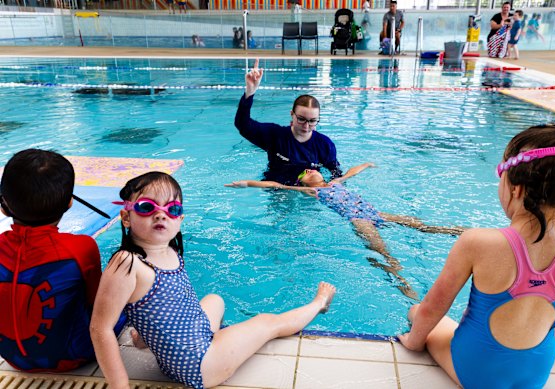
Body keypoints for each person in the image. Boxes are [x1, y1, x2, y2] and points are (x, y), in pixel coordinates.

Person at [90, 171, 336, 389]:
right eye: (147, 207)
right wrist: (119, 384)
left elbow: (160, 305)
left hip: (184, 351)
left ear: (180, 220)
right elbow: (100, 328)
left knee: (214, 299)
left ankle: (146, 338)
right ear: (126, 217)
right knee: (268, 323)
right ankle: (319, 303)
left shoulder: (168, 250)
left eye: (172, 209)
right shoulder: (127, 263)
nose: (160, 215)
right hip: (201, 365)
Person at [398, 124, 555, 388]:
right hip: (536, 374)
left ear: (516, 187)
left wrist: (413, 343)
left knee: (416, 311)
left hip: (477, 373)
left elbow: (434, 306)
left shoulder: (478, 241)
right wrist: (541, 361)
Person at [226, 163, 465, 300]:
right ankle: (402, 282)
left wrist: (368, 165)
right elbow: (275, 185)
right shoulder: (312, 192)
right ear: (303, 183)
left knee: (416, 223)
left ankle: (453, 230)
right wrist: (243, 183)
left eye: (312, 169)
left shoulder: (334, 183)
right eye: (305, 173)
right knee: (383, 252)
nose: (310, 170)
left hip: (375, 213)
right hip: (359, 219)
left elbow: (352, 172)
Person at [0, 149, 124, 372]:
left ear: (3, 206)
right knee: (124, 297)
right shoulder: (80, 248)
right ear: (69, 203)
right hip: (72, 356)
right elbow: (97, 304)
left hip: (12, 358)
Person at [235, 58, 342, 186]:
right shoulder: (275, 135)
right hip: (278, 191)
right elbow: (242, 124)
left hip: (308, 192)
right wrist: (249, 92)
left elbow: (336, 173)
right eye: (301, 119)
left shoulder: (324, 145)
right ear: (292, 114)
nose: (307, 126)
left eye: (312, 121)